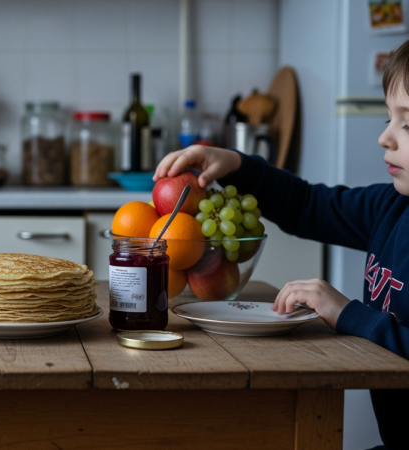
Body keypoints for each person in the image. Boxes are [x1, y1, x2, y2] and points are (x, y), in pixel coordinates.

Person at [154, 43, 409, 450]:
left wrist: (348, 314)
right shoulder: (391, 207)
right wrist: (237, 164)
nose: (383, 138)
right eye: (387, 118)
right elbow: (307, 205)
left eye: (406, 125)